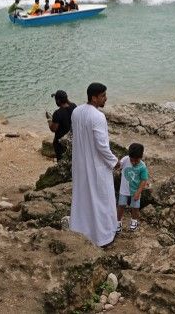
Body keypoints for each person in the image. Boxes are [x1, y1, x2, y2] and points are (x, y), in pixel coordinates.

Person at [69, 82, 119, 247]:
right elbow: (101, 145)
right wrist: (114, 161)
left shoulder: (76, 112)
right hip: (97, 166)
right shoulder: (98, 116)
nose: (106, 98)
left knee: (83, 199)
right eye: (103, 95)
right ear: (94, 97)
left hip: (80, 164)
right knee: (102, 200)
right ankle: (103, 236)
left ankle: (81, 231)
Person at [115, 143, 150, 233]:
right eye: (132, 160)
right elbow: (118, 166)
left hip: (135, 191)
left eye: (136, 160)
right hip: (124, 190)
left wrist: (138, 193)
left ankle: (134, 221)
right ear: (129, 156)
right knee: (121, 205)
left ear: (141, 157)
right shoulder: (126, 159)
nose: (134, 162)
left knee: (135, 207)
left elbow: (143, 180)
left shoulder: (142, 166)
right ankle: (118, 222)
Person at [47, 90, 76, 161]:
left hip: (60, 143)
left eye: (56, 100)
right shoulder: (74, 106)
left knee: (61, 161)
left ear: (58, 101)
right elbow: (69, 103)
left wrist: (49, 120)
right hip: (72, 140)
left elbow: (53, 129)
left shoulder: (57, 113)